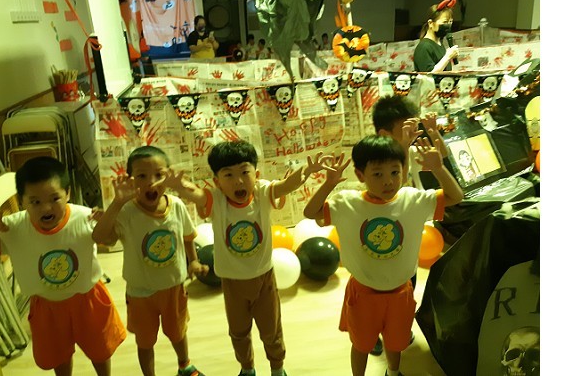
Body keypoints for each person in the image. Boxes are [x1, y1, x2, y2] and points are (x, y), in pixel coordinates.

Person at [162, 140, 335, 376]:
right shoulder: (217, 200)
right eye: (228, 175)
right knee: (239, 332)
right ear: (217, 182)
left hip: (264, 278)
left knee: (271, 330)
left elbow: (286, 186)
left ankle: (277, 368)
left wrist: (306, 171)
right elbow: (196, 194)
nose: (238, 181)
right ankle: (247, 368)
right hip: (232, 282)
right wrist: (179, 186)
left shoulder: (262, 192)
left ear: (256, 174)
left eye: (245, 172)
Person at [303, 135, 463, 376]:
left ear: (403, 170)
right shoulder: (347, 203)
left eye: (395, 172)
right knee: (361, 345)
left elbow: (456, 196)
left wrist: (438, 168)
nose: (388, 181)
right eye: (377, 174)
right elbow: (310, 212)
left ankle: (393, 372)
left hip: (401, 292)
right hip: (363, 293)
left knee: (396, 342)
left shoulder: (413, 200)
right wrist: (329, 183)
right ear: (360, 175)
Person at [0, 156, 126, 376]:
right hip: (46, 306)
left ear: (68, 193)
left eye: (55, 198)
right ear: (22, 201)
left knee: (100, 351)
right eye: (35, 202)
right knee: (58, 357)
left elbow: (109, 240)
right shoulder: (13, 227)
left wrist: (109, 219)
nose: (46, 208)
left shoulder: (84, 216)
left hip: (88, 299)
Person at [92, 146, 208, 376]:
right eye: (142, 176)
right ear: (130, 180)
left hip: (174, 285)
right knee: (145, 341)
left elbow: (187, 236)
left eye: (159, 175)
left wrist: (193, 261)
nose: (151, 182)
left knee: (178, 331)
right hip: (140, 292)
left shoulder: (176, 205)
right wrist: (115, 205)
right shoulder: (126, 211)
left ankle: (185, 365)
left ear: (169, 176)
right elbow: (101, 237)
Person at [369, 94, 451, 356]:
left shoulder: (412, 149)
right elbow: (397, 183)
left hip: (409, 232)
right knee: (376, 289)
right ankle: (372, 332)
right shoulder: (375, 158)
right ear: (384, 134)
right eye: (406, 128)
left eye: (414, 126)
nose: (413, 133)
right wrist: (404, 146)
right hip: (382, 235)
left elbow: (443, 155)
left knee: (407, 285)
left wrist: (433, 132)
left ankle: (397, 327)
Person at [413, 0, 460, 73]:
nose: (448, 26)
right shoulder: (424, 47)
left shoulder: (439, 44)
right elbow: (429, 75)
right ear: (431, 23)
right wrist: (448, 56)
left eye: (450, 22)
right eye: (445, 22)